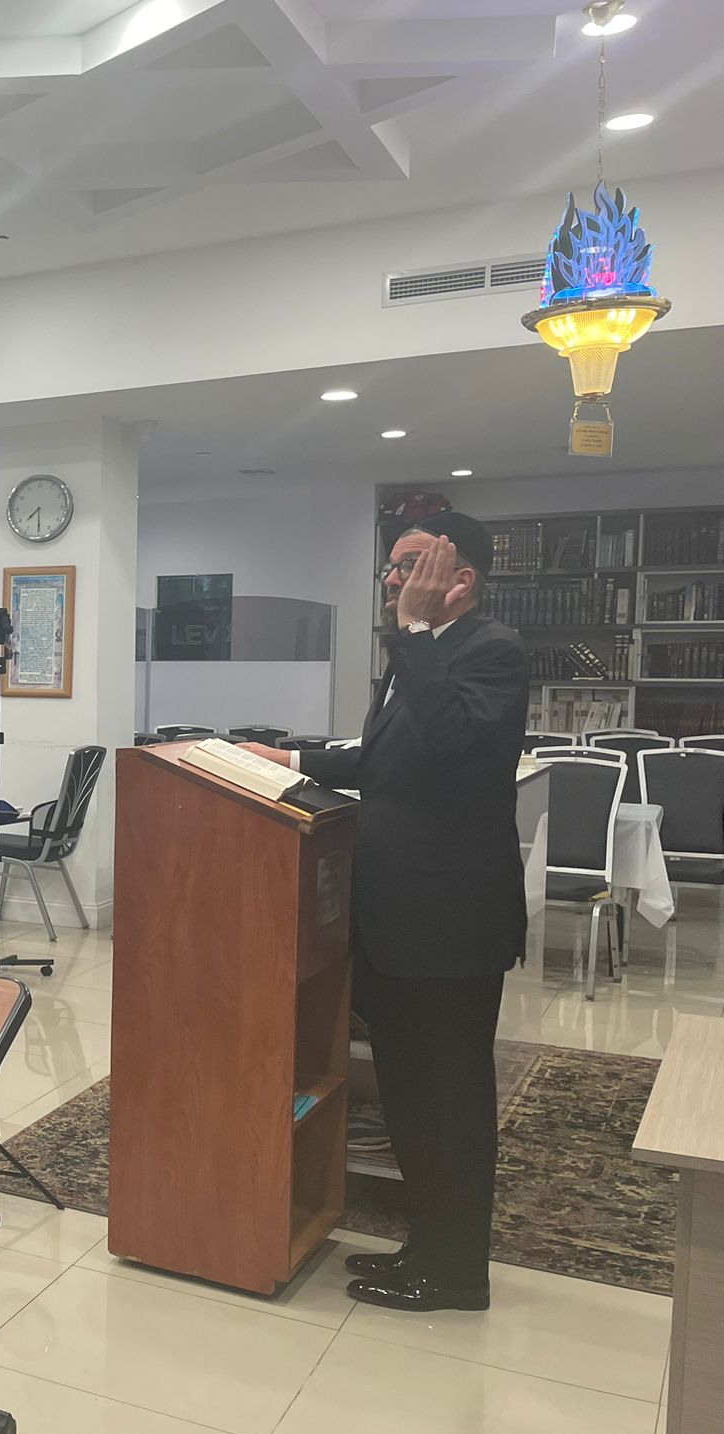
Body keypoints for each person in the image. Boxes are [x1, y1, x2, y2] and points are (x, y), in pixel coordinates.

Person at [241, 510, 527, 1313]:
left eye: (410, 566)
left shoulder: (491, 650)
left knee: (451, 1099)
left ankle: (459, 1272)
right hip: (398, 920)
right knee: (408, 1093)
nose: (393, 580)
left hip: (452, 924)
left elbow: (451, 745)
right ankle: (425, 1246)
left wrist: (414, 635)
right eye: (392, 568)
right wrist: (286, 758)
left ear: (460, 578)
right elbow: (385, 759)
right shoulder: (419, 654)